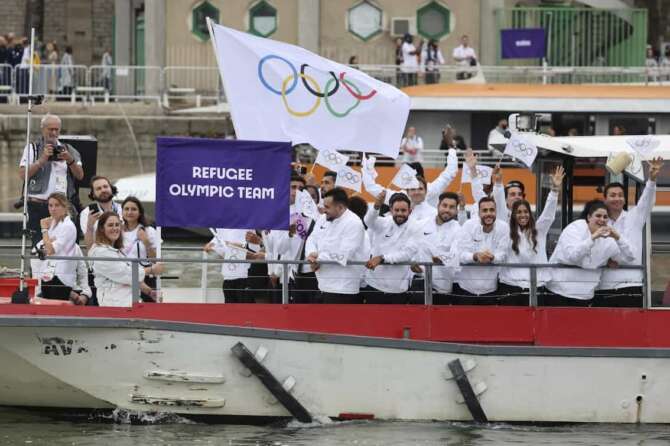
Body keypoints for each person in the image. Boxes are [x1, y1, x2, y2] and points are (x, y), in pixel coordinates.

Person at [595, 157, 664, 307]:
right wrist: (605, 260)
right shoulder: (599, 222)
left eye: (620, 195)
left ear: (625, 199)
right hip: (604, 285)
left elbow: (647, 200)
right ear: (605, 199)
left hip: (631, 285)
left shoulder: (635, 216)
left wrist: (652, 179)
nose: (617, 198)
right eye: (612, 195)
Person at [545, 200, 635, 306]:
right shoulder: (575, 228)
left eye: (605, 217)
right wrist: (592, 238)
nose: (602, 219)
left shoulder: (608, 239)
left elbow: (630, 257)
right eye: (598, 216)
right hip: (559, 292)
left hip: (586, 296)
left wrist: (618, 238)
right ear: (589, 217)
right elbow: (573, 256)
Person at [499, 167, 564, 305]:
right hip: (511, 286)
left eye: (526, 211)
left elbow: (548, 215)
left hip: (537, 286)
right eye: (519, 212)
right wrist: (498, 184)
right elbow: (500, 207)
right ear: (513, 214)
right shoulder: (505, 230)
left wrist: (554, 190)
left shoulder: (539, 231)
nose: (523, 215)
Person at [19, 114, 84, 247]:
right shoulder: (33, 148)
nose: (54, 133)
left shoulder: (68, 149)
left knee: (65, 246)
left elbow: (80, 176)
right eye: (50, 129)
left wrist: (69, 159)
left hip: (62, 207)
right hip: (38, 206)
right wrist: (42, 160)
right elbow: (22, 174)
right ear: (43, 129)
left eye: (56, 129)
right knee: (39, 246)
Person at [88, 212, 164, 307]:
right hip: (114, 305)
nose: (115, 228)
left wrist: (150, 292)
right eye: (110, 225)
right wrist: (151, 270)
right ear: (102, 229)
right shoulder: (100, 253)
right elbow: (126, 273)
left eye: (117, 225)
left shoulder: (116, 251)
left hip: (129, 301)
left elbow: (130, 276)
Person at [305, 188, 367, 303]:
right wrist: (311, 255)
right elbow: (312, 238)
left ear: (340, 207)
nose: (324, 210)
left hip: (343, 289)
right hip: (322, 285)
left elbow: (345, 255)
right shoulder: (323, 218)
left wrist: (318, 257)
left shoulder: (354, 223)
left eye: (327, 207)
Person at [362, 192, 420, 304]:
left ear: (410, 211)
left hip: (398, 289)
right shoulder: (383, 222)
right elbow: (368, 221)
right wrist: (376, 207)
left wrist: (382, 258)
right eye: (396, 210)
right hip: (374, 285)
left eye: (403, 211)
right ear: (391, 210)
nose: (399, 213)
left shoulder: (415, 227)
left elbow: (406, 253)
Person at [454, 197, 509, 303]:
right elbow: (460, 255)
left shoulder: (504, 227)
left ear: (496, 211)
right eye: (484, 210)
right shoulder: (468, 225)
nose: (488, 213)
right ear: (478, 213)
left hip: (491, 290)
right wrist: (475, 256)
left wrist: (492, 257)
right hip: (466, 289)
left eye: (492, 210)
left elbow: (503, 255)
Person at [415, 192, 462, 304]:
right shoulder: (421, 224)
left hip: (442, 287)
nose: (447, 209)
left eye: (451, 207)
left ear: (456, 210)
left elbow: (455, 256)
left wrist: (441, 258)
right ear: (438, 206)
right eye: (444, 205)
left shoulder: (458, 230)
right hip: (420, 282)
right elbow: (411, 248)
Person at [36, 193, 78, 301]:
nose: (53, 209)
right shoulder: (54, 223)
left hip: (61, 276)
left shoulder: (68, 226)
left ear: (65, 207)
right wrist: (48, 239)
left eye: (57, 205)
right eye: (50, 205)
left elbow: (49, 250)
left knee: (57, 311)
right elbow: (45, 246)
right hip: (49, 273)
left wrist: (44, 230)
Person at [204, 228, 265, 303]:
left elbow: (255, 252)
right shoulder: (221, 229)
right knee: (230, 311)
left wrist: (229, 245)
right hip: (228, 277)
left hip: (246, 276)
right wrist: (210, 248)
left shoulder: (248, 226)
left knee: (247, 311)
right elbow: (211, 247)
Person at [121, 196, 160, 302]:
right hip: (122, 277)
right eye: (126, 209)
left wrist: (146, 242)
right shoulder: (117, 231)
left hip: (145, 277)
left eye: (133, 209)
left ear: (140, 212)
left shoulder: (149, 231)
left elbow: (155, 260)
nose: (129, 212)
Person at [81, 176, 122, 248]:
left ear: (111, 189)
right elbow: (89, 246)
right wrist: (90, 226)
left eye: (105, 186)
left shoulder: (123, 209)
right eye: (98, 188)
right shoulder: (87, 212)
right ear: (93, 194)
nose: (103, 190)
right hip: (100, 255)